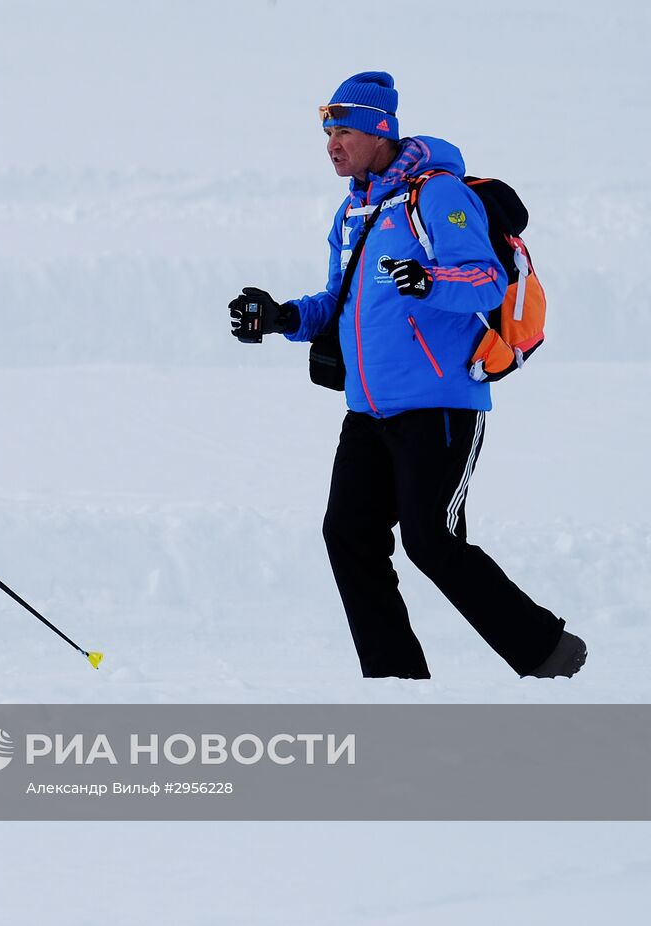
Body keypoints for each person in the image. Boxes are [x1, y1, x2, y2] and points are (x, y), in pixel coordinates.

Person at [228, 71, 584, 679]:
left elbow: (485, 279)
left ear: (380, 132)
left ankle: (548, 654)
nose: (332, 144)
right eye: (328, 132)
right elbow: (337, 303)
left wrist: (429, 281)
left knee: (431, 540)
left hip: (440, 405)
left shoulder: (437, 195)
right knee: (347, 535)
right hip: (368, 411)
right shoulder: (353, 211)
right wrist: (282, 317)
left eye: (343, 131)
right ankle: (396, 682)